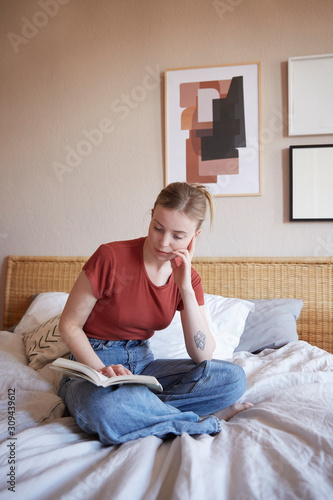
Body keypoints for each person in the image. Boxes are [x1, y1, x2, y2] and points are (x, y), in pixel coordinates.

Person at [59, 182, 252, 445]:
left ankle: (141, 406)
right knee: (106, 408)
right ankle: (196, 421)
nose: (163, 242)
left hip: (143, 365)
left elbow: (202, 355)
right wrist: (102, 371)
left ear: (195, 236)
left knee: (232, 379)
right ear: (151, 217)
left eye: (178, 236)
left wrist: (184, 286)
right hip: (92, 363)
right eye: (158, 228)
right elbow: (69, 325)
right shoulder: (110, 257)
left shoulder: (189, 280)